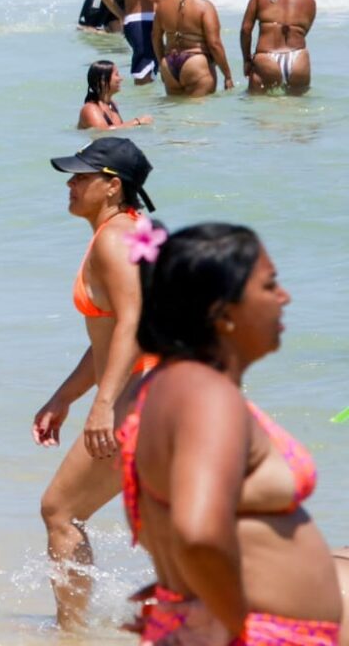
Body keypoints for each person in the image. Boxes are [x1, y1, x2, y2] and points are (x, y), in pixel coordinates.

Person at [116, 223, 340, 645]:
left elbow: (162, 515)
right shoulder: (206, 395)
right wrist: (232, 621)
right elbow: (198, 532)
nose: (284, 297)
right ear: (223, 313)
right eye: (270, 285)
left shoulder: (162, 387)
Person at [35, 138, 157, 629]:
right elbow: (109, 337)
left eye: (81, 176)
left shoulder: (113, 239)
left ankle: (72, 634)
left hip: (145, 392)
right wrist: (63, 397)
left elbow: (135, 323)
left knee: (61, 510)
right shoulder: (132, 232)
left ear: (112, 186)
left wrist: (104, 406)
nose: (70, 183)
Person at [154, 0, 234, 97]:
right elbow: (214, 44)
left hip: (169, 64)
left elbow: (155, 37)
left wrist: (162, 64)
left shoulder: (164, 2)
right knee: (198, 117)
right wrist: (227, 75)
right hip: (195, 63)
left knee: (174, 115)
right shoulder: (205, 7)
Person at [241, 0, 315, 94]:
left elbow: (246, 30)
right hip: (298, 59)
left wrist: (247, 60)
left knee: (259, 112)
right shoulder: (309, 1)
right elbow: (303, 32)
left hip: (267, 58)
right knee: (297, 111)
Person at [78, 61, 152, 130]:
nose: (121, 79)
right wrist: (137, 122)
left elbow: (117, 130)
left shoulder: (112, 104)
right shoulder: (90, 109)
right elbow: (103, 132)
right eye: (116, 75)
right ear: (103, 81)